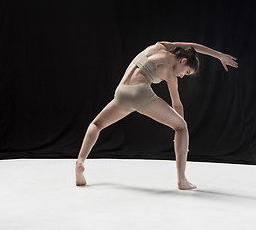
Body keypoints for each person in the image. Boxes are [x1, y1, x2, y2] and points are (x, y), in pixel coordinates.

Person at [75, 41, 238, 190]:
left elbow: (192, 46)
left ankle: (81, 161)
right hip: (140, 93)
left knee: (96, 124)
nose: (182, 76)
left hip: (121, 91)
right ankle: (182, 180)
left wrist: (219, 56)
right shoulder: (170, 72)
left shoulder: (160, 45)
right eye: (186, 72)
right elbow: (177, 104)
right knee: (182, 127)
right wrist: (180, 131)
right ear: (183, 61)